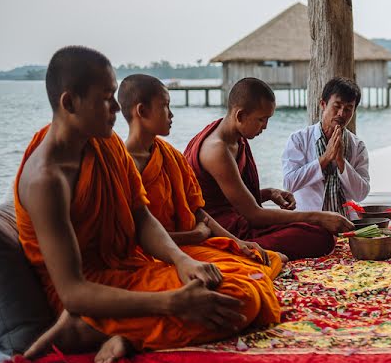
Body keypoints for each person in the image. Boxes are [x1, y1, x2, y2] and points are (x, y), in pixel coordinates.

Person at [15, 47, 260, 363]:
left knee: (242, 284)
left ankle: (123, 335)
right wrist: (170, 303)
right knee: (235, 302)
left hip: (127, 268)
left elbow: (140, 215)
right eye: (105, 98)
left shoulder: (106, 143)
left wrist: (182, 260)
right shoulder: (46, 179)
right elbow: (73, 292)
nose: (117, 107)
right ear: (69, 103)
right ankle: (83, 330)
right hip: (88, 297)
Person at [118, 73, 285, 324]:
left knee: (268, 260)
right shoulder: (122, 164)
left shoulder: (170, 156)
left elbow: (199, 212)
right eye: (165, 107)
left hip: (192, 248)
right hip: (154, 257)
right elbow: (133, 239)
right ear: (141, 111)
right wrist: (193, 236)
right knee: (242, 293)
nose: (172, 115)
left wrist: (238, 243)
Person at [184, 77, 352, 260]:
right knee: (319, 236)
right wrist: (318, 216)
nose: (265, 126)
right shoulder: (216, 150)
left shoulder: (232, 135)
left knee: (316, 231)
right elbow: (254, 214)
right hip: (223, 231)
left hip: (238, 218)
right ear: (240, 115)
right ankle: (232, 252)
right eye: (261, 119)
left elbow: (229, 197)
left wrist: (268, 193)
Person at [282, 77, 370, 219]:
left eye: (348, 109)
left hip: (346, 220)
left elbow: (361, 194)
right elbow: (289, 183)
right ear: (323, 104)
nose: (341, 113)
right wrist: (325, 158)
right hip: (309, 220)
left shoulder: (357, 146)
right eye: (337, 106)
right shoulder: (299, 139)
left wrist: (341, 161)